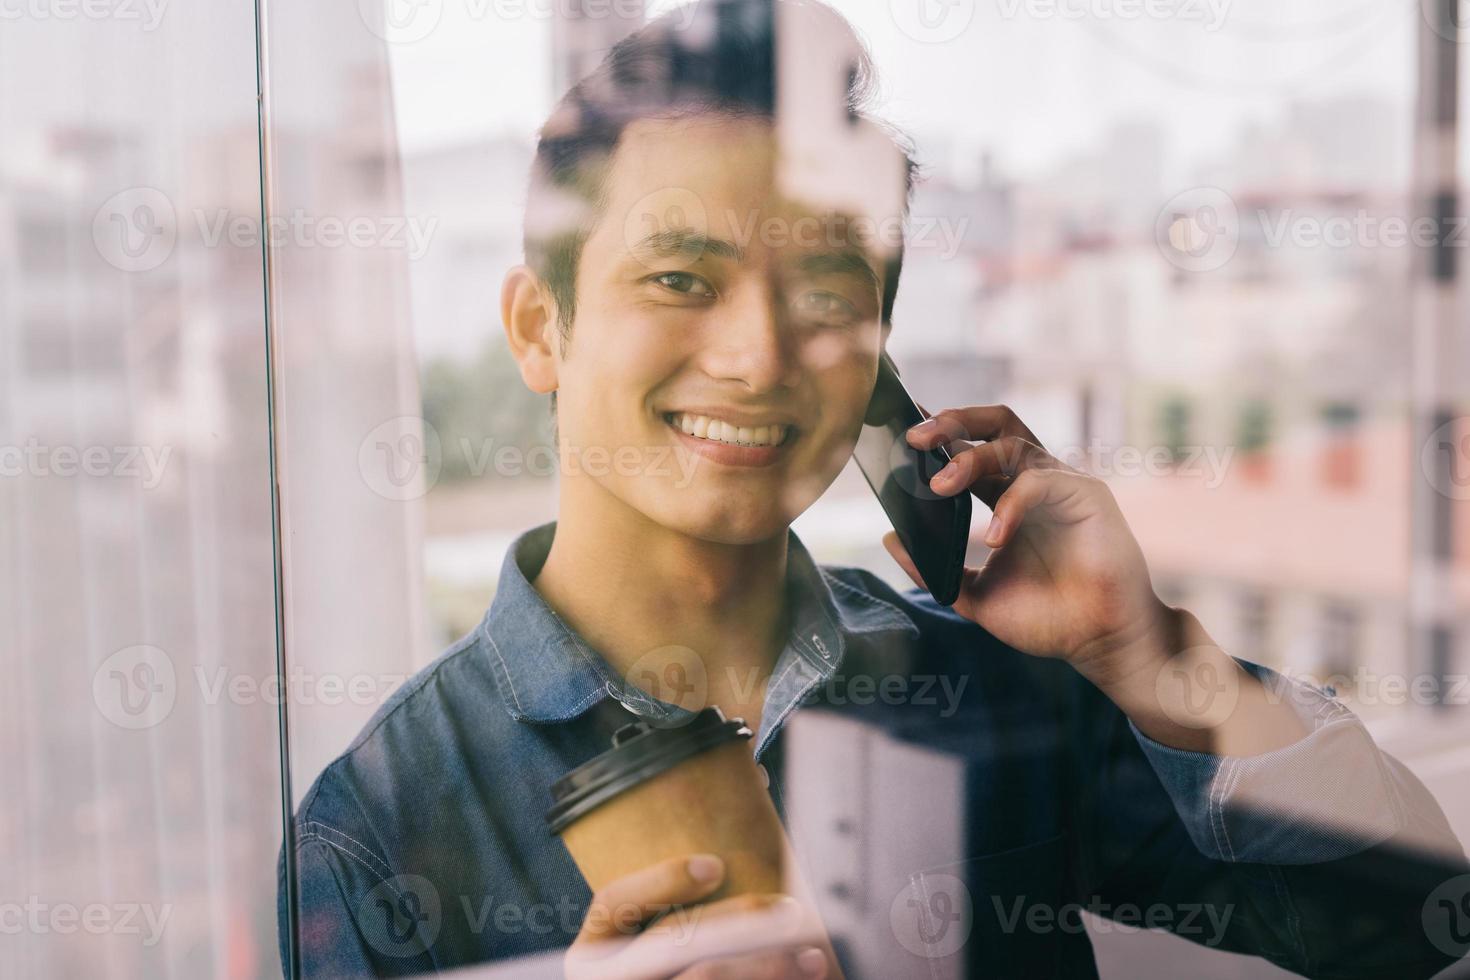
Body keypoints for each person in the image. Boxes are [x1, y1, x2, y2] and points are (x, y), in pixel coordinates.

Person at [278, 1, 1469, 976]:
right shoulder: (375, 826)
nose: (759, 355)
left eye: (829, 292)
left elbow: (1413, 921)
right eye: (683, 276)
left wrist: (1159, 661)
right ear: (542, 327)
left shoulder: (1001, 688)